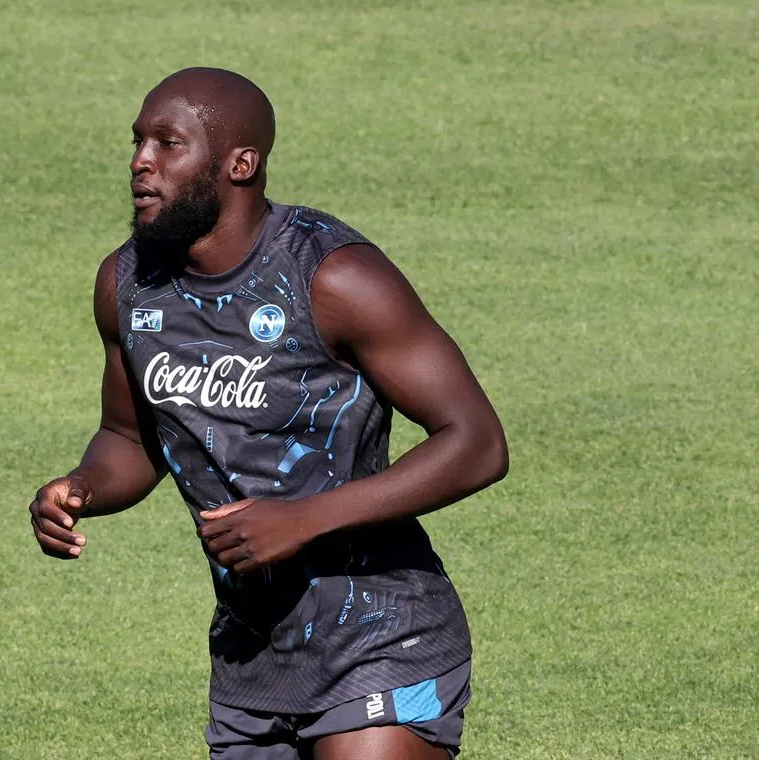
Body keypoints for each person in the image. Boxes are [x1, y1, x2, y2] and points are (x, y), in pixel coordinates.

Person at [28, 67, 508, 760]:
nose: (140, 161)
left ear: (240, 164)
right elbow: (130, 436)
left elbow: (477, 443)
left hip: (382, 638)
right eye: (137, 143)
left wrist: (303, 518)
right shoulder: (127, 285)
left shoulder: (333, 276)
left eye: (168, 144)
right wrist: (81, 489)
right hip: (253, 662)